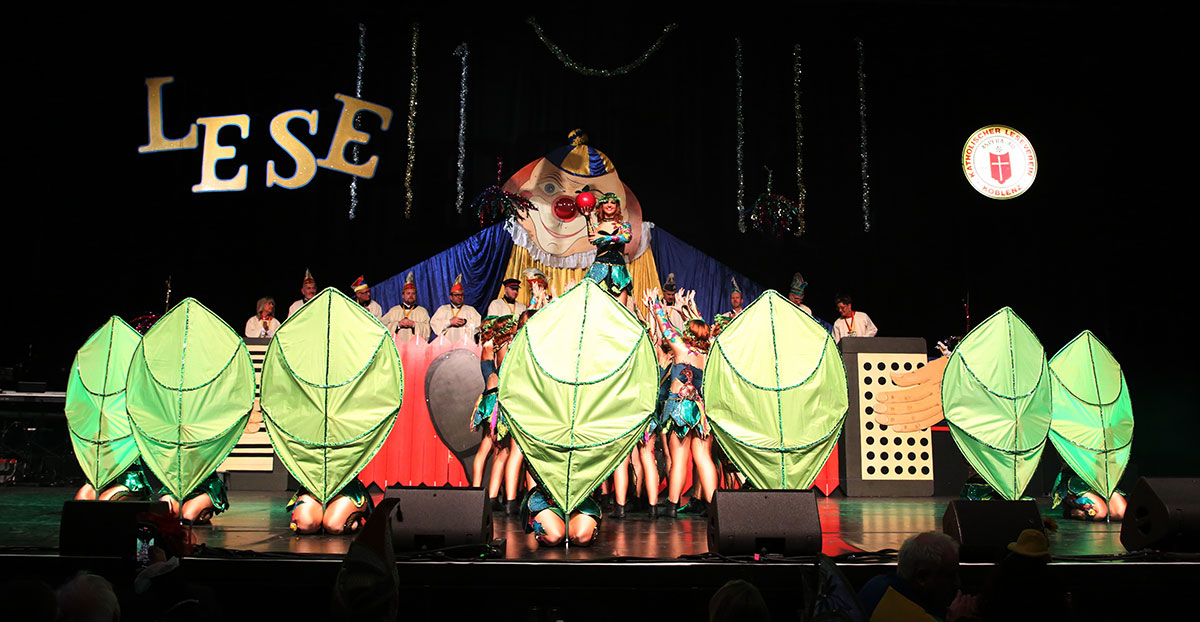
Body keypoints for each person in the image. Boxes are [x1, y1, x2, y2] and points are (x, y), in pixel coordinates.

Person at [645, 287, 717, 518]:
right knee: (703, 458)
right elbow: (704, 330)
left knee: (679, 459)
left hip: (680, 408)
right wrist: (688, 309)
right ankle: (716, 507)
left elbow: (665, 327)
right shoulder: (706, 353)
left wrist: (655, 303)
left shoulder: (681, 348)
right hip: (699, 410)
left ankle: (672, 505)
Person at [858, 531, 977, 622]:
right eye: (950, 576)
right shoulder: (922, 618)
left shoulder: (875, 585)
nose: (957, 583)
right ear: (922, 578)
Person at [469, 314, 521, 512]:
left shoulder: (490, 347)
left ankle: (488, 495)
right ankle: (480, 493)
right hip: (496, 402)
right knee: (494, 449)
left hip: (490, 399)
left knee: (497, 449)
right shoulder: (496, 348)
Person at [584, 192, 634, 306]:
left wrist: (604, 237)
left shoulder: (624, 226)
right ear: (601, 206)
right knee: (596, 307)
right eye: (606, 202)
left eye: (613, 202)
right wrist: (587, 218)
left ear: (617, 206)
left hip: (618, 270)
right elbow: (593, 239)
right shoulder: (596, 227)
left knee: (620, 309)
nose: (609, 205)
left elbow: (627, 237)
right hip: (599, 269)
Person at [521, 484, 603, 548]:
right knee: (553, 536)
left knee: (582, 537)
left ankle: (566, 528)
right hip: (547, 496)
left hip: (579, 496)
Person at [288, 480, 374, 535]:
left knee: (334, 525)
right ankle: (320, 518)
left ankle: (355, 516)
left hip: (345, 487)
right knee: (305, 524)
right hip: (312, 487)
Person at [1051, 464, 1127, 521]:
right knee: (1099, 513)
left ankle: (1103, 505)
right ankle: (1073, 511)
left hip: (1099, 477)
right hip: (1077, 480)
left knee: (1120, 513)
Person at [381, 271, 431, 343]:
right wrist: (398, 325)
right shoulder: (394, 310)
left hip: (414, 347)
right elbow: (382, 327)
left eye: (413, 293)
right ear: (403, 295)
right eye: (408, 293)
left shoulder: (422, 311)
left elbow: (427, 330)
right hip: (397, 346)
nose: (411, 296)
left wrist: (414, 324)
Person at [430, 274, 481, 342]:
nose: (460, 297)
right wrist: (449, 322)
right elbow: (434, 323)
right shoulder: (443, 309)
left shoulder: (470, 310)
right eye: (457, 295)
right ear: (451, 297)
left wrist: (465, 322)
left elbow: (478, 323)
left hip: (465, 344)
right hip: (447, 344)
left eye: (462, 295)